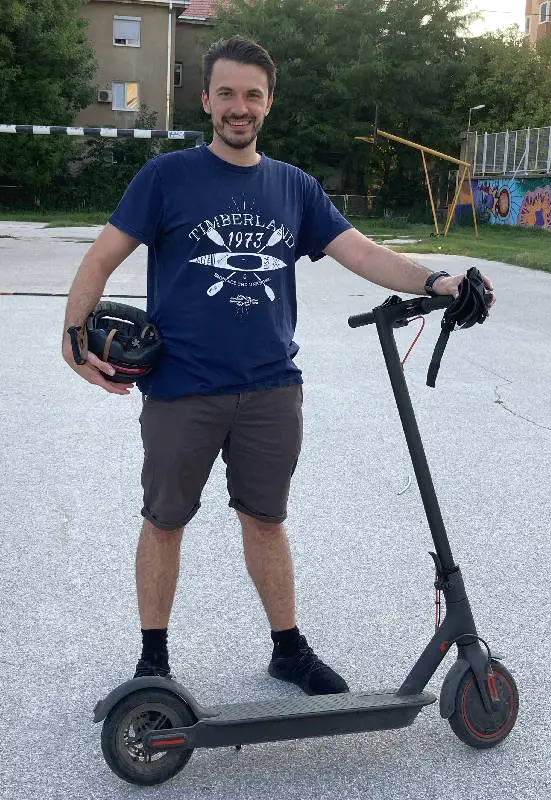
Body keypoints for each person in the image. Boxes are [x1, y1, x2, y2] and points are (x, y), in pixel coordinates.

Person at [62, 36, 494, 696]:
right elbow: (99, 259)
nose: (240, 107)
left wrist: (438, 280)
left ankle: (287, 650)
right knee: (164, 521)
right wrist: (73, 335)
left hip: (270, 389)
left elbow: (363, 253)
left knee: (266, 520)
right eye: (227, 94)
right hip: (182, 390)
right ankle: (153, 662)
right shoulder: (167, 177)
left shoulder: (293, 187)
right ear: (206, 100)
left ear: (269, 103)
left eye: (252, 95)